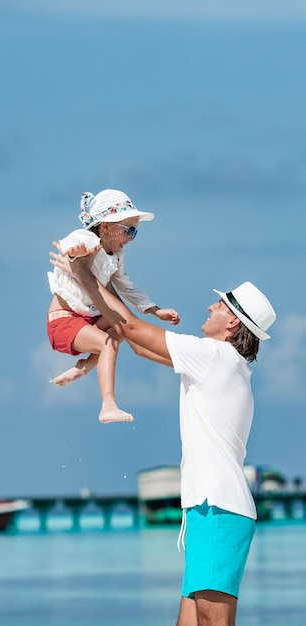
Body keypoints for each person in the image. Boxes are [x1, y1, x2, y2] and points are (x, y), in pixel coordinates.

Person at [49, 245, 276, 626]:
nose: (209, 308)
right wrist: (94, 283)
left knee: (212, 622)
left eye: (219, 306)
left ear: (233, 323)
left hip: (219, 508)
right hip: (207, 508)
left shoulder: (216, 358)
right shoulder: (219, 363)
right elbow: (136, 343)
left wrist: (84, 275)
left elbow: (135, 330)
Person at [47, 188, 179, 425]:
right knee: (107, 343)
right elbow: (74, 240)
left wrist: (155, 310)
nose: (131, 238)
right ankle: (108, 405)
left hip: (88, 317)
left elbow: (127, 288)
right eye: (128, 230)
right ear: (105, 227)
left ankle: (84, 367)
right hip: (63, 320)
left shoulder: (116, 257)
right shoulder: (90, 241)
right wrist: (74, 251)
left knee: (122, 328)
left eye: (135, 232)